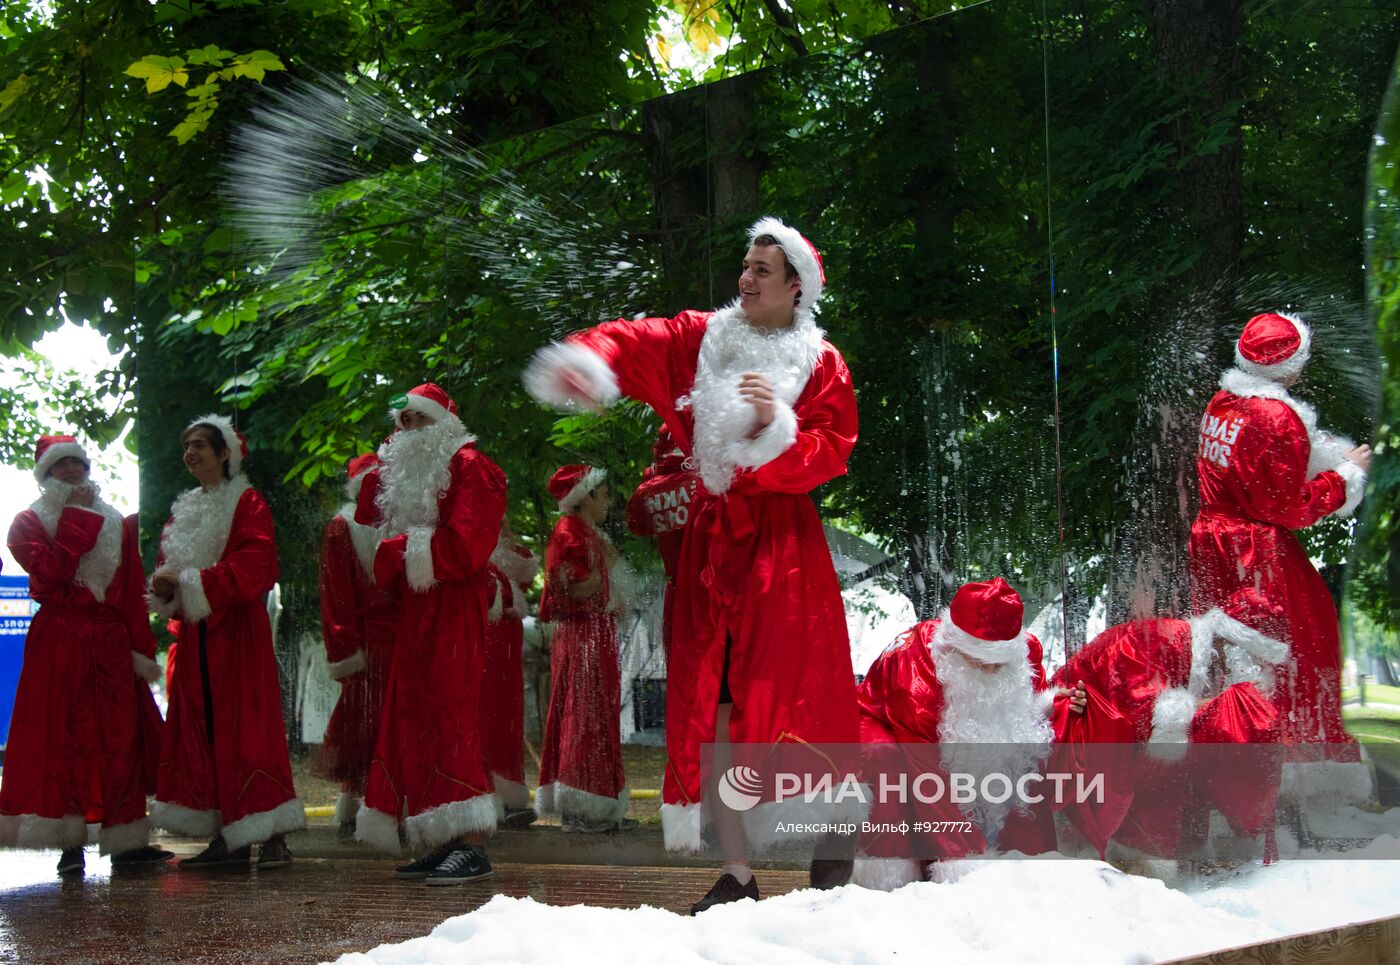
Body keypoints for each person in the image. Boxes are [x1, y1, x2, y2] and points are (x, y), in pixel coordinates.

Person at [525, 217, 861, 912]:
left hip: (783, 552)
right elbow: (632, 339)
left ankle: (829, 834)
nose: (745, 278)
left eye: (762, 270)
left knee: (795, 697)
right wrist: (587, 360)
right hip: (711, 554)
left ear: (796, 285)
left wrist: (778, 433)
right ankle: (737, 872)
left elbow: (834, 448)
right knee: (712, 712)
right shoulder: (698, 337)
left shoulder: (821, 362)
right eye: (745, 265)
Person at [1190, 312, 1370, 784]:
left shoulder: (1224, 402)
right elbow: (1286, 507)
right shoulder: (1276, 415)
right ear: (1290, 366)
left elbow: (1250, 467)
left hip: (1214, 542)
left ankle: (1226, 749)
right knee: (1298, 646)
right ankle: (1293, 765)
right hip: (1256, 550)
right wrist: (1345, 474)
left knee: (1226, 648)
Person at [352, 383, 506, 885]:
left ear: (442, 423)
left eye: (418, 420)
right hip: (420, 611)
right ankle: (439, 836)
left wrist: (399, 551)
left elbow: (465, 548)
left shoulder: (470, 466)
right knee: (419, 717)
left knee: (452, 713)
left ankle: (472, 845)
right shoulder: (422, 471)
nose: (407, 430)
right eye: (403, 422)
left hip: (454, 608)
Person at [1, 435, 171, 875]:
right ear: (45, 474)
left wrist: (140, 648)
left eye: (78, 463)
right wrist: (77, 519)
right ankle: (69, 843)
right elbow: (52, 572)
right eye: (62, 466)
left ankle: (128, 840)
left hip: (111, 641)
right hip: (59, 639)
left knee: (121, 737)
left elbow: (132, 591)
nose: (73, 471)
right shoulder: (27, 523)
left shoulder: (116, 520)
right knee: (63, 737)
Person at [850, 578, 1086, 890]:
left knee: (1021, 756)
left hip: (948, 731)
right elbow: (929, 776)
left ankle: (1031, 870)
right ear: (953, 646)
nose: (990, 672)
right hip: (886, 727)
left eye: (999, 665)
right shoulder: (915, 676)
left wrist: (1060, 705)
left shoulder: (1023, 653)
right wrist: (965, 863)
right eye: (979, 661)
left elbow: (1025, 711)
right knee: (887, 761)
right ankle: (890, 881)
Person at [149, 415, 304, 868]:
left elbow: (257, 565)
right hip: (198, 637)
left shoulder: (248, 502)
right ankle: (226, 834)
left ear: (224, 454)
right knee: (207, 730)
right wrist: (166, 586)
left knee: (249, 730)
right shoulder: (184, 509)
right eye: (187, 445)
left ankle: (271, 832)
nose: (191, 452)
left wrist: (192, 580)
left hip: (237, 633)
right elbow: (168, 567)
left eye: (200, 445)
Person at [1052, 588, 1291, 860]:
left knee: (1205, 735)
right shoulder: (1161, 638)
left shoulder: (1205, 657)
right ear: (1238, 644)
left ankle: (1190, 848)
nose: (1260, 668)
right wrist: (1224, 703)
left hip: (1113, 736)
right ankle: (1138, 855)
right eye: (1259, 659)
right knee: (1182, 745)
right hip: (1072, 734)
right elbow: (1142, 721)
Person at [534, 464, 631, 832]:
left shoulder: (584, 531)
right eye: (603, 494)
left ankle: (599, 803)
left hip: (594, 635)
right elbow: (567, 592)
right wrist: (605, 569)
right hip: (583, 638)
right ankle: (582, 805)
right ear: (587, 496)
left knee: (596, 714)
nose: (608, 501)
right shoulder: (570, 533)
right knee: (583, 715)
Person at [313, 453, 398, 839]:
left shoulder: (401, 525)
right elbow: (337, 596)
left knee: (393, 724)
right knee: (365, 727)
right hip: (367, 647)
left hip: (400, 643)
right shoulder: (342, 528)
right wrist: (345, 650)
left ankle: (388, 801)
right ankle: (363, 803)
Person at [482, 517, 540, 828]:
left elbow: (526, 576)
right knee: (487, 720)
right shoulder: (475, 560)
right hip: (485, 652)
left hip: (507, 653)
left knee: (508, 719)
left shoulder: (506, 558)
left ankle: (509, 792)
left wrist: (507, 537)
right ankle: (489, 794)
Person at [625, 429, 694, 660]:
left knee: (686, 670)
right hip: (716, 590)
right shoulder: (708, 480)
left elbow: (636, 525)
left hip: (678, 593)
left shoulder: (647, 491)